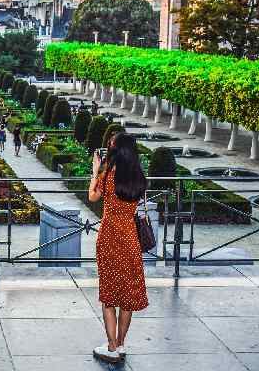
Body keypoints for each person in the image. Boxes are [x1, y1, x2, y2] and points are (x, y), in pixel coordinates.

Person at [88, 132, 149, 363]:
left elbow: (92, 197)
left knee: (109, 296)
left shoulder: (108, 175)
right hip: (130, 239)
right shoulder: (138, 178)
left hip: (110, 238)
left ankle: (111, 347)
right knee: (127, 297)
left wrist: (95, 172)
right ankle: (121, 344)